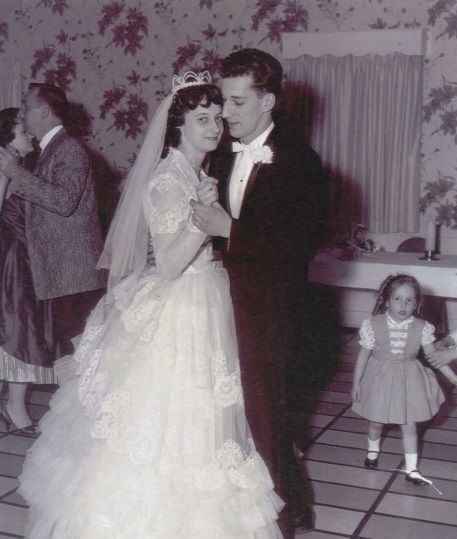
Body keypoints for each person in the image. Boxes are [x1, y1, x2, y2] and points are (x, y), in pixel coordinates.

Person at [19, 73, 285, 538]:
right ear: (178, 126)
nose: (215, 127)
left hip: (208, 297)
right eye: (202, 119)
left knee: (211, 415)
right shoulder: (167, 180)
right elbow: (168, 263)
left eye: (217, 117)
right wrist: (206, 221)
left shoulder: (196, 173)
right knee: (170, 416)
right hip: (182, 304)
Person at [190, 48, 324, 537]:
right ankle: (263, 505)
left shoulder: (300, 162)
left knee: (265, 410)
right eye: (224, 100)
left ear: (268, 100)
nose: (226, 113)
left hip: (270, 308)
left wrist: (231, 229)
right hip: (223, 299)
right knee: (232, 408)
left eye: (237, 102)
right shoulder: (223, 151)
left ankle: (281, 516)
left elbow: (301, 243)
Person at [0, 83, 105, 365]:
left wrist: (15, 173)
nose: (21, 114)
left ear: (44, 112)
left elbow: (63, 201)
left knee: (80, 363)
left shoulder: (69, 148)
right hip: (62, 278)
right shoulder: (49, 151)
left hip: (74, 277)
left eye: (26, 107)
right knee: (71, 362)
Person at [352, 274, 447, 490]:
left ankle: (412, 468)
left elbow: (436, 358)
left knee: (409, 425)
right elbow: (363, 356)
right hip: (380, 378)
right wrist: (356, 383)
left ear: (417, 303)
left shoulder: (422, 327)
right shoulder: (373, 324)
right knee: (376, 422)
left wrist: (454, 378)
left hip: (409, 380)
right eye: (397, 299)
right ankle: (373, 449)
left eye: (410, 300)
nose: (403, 305)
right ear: (386, 300)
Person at [0, 107, 52, 435]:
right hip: (10, 257)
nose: (30, 135)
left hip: (24, 255)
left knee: (24, 327)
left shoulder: (21, 166)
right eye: (23, 131)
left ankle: (13, 404)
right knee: (19, 327)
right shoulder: (5, 166)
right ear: (8, 140)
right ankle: (15, 406)